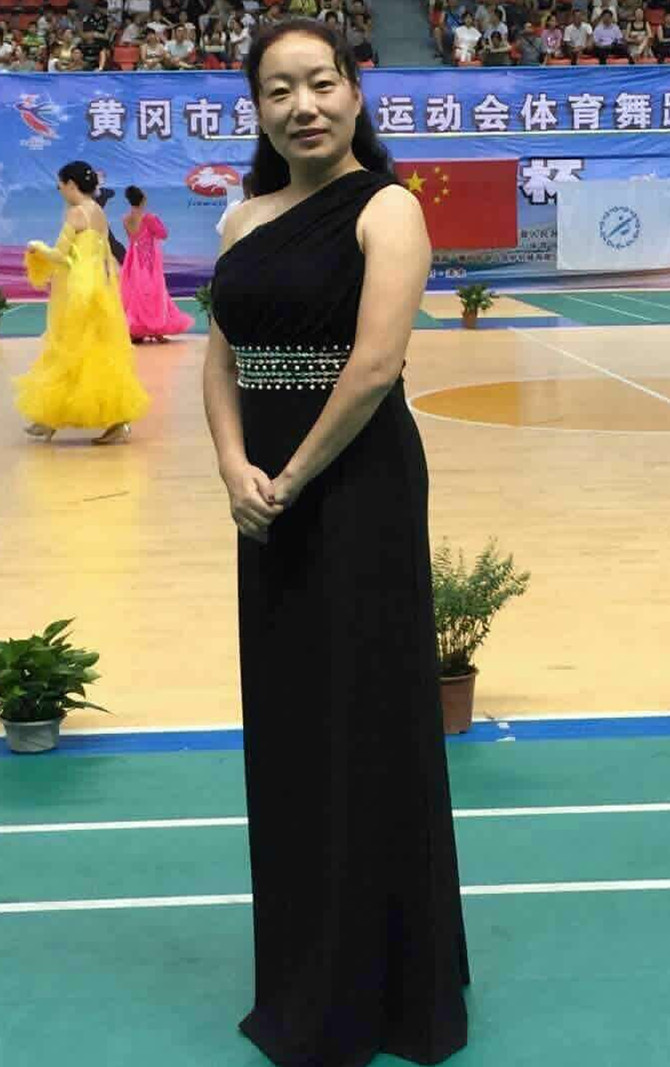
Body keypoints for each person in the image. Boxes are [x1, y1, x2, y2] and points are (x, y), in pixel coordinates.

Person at [205, 19, 469, 1067]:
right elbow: (222, 357)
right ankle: (305, 970)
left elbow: (372, 367)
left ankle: (385, 986)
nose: (303, 106)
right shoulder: (242, 218)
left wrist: (291, 477)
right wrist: (234, 466)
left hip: (356, 488)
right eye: (279, 90)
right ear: (259, 109)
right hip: (263, 499)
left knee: (365, 714)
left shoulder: (387, 208)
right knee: (291, 724)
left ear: (355, 93)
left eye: (320, 83)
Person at [14, 161, 149, 444]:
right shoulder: (98, 212)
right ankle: (64, 419)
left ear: (71, 185)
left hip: (77, 293)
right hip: (99, 292)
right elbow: (102, 254)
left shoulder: (76, 213)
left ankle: (52, 419)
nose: (60, 190)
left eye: (61, 185)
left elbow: (60, 255)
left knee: (68, 350)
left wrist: (36, 248)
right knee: (97, 354)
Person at [120, 185, 194, 343]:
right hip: (149, 262)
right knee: (154, 294)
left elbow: (132, 238)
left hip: (133, 260)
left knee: (135, 294)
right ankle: (156, 330)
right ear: (143, 200)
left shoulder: (126, 219)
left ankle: (136, 332)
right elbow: (163, 234)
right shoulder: (149, 218)